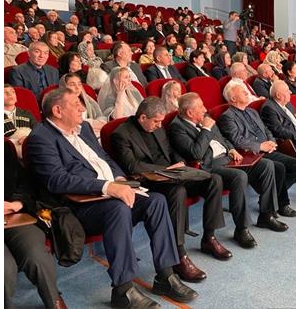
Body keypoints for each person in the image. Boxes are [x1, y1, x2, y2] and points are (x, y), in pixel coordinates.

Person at [25, 88, 197, 305]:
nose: (82, 108)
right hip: (78, 205)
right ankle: (123, 289)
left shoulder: (84, 128)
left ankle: (165, 275)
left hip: (109, 193)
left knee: (156, 201)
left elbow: (104, 158)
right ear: (58, 110)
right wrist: (108, 186)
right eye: (76, 104)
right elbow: (57, 180)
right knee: (118, 209)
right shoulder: (40, 138)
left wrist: (119, 178)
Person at [110, 98, 232, 283]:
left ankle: (209, 237)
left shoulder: (157, 126)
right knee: (178, 191)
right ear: (142, 117)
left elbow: (169, 150)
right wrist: (165, 170)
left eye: (161, 121)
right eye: (156, 122)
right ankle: (179, 254)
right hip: (151, 180)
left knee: (213, 180)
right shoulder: (121, 134)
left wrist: (180, 163)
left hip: (174, 173)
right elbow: (132, 166)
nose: (160, 125)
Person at [168, 93, 280, 248]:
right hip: (210, 166)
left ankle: (266, 214)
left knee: (266, 165)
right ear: (190, 112)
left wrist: (231, 149)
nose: (205, 109)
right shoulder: (177, 128)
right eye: (201, 107)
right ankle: (241, 229)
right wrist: (206, 129)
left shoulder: (204, 118)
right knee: (239, 176)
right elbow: (196, 153)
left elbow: (223, 138)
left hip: (228, 158)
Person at [218, 83, 296, 219]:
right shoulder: (227, 117)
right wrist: (260, 146)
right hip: (251, 154)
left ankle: (271, 197)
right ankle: (281, 203)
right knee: (279, 168)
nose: (247, 93)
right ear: (233, 99)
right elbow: (237, 140)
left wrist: (272, 142)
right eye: (243, 92)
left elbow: (266, 129)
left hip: (267, 149)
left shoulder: (252, 111)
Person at [4, 140, 66, 309]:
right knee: (5, 268)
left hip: (13, 216)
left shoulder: (4, 148)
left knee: (36, 254)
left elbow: (26, 185)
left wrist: (17, 203)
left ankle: (54, 301)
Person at [59, 73, 107, 138]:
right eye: (72, 85)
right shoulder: (61, 105)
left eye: (79, 84)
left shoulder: (86, 100)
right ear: (64, 87)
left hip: (94, 131)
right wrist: (91, 124)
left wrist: (99, 123)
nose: (77, 88)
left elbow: (100, 116)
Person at [4, 84, 38, 157]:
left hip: (29, 150)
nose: (9, 94)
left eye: (12, 92)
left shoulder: (27, 113)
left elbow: (38, 131)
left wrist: (27, 138)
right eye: (4, 92)